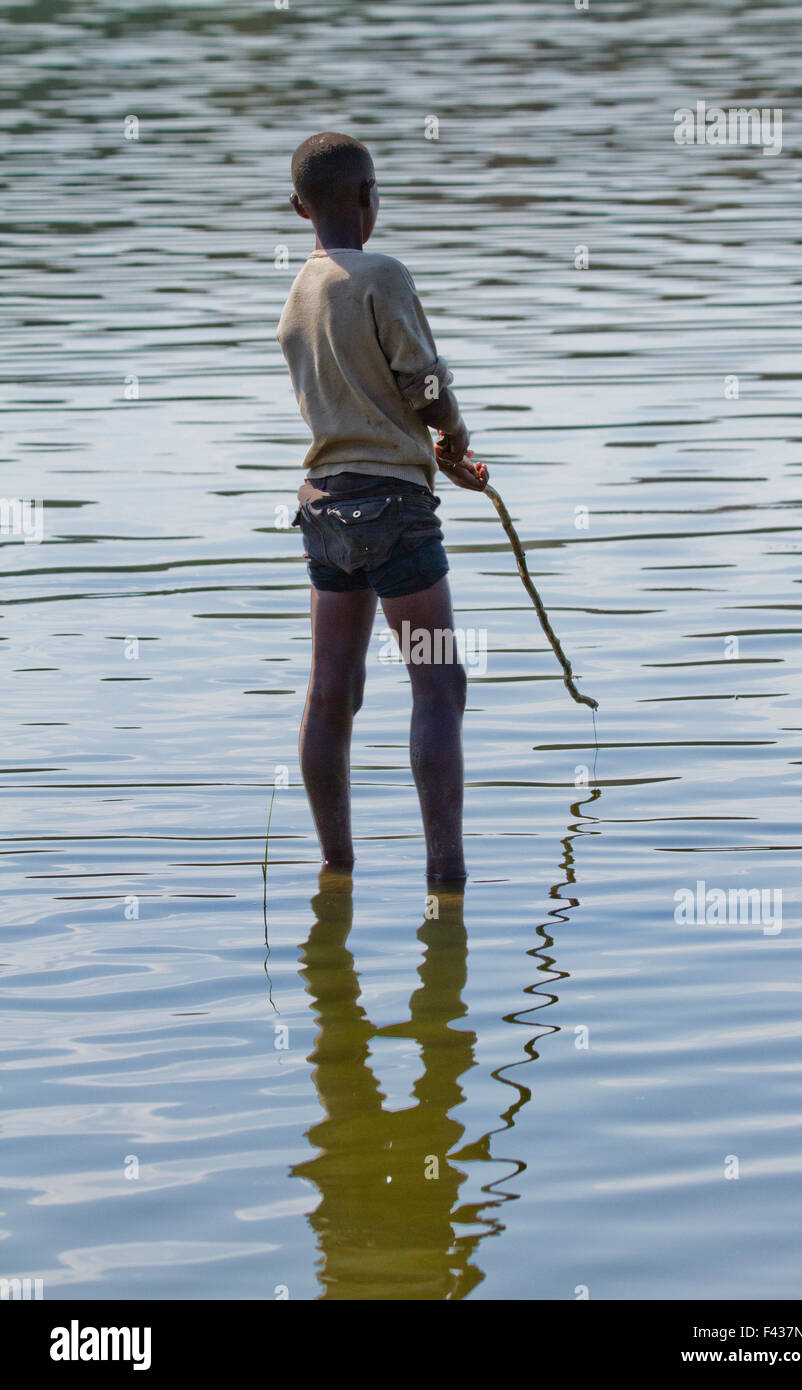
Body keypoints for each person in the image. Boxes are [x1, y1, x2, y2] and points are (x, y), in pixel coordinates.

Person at [276, 131, 488, 885]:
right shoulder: (381, 274)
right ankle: (446, 876)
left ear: (300, 209)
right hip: (394, 511)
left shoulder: (299, 291)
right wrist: (455, 443)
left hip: (326, 514)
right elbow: (423, 385)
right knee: (438, 679)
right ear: (369, 199)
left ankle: (336, 866)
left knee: (333, 688)